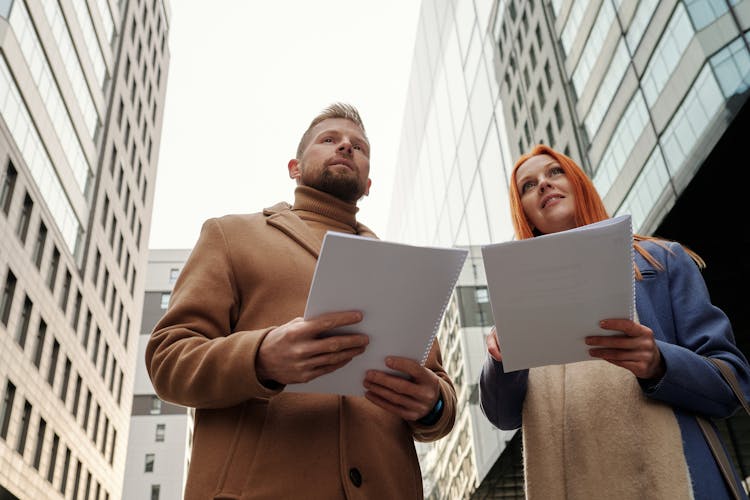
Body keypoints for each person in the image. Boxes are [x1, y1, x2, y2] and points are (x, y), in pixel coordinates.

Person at [146, 103, 456, 499]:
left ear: (368, 183)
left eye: (358, 147)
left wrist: (432, 404)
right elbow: (167, 359)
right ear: (294, 167)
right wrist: (260, 357)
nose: (346, 147)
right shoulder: (230, 234)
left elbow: (441, 396)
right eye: (329, 140)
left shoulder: (404, 269)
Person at [479, 144, 750, 499]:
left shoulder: (662, 260)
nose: (543, 184)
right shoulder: (519, 296)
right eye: (528, 186)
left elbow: (733, 382)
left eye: (554, 172)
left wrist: (659, 363)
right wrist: (500, 361)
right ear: (525, 214)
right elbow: (502, 415)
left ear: (578, 183)